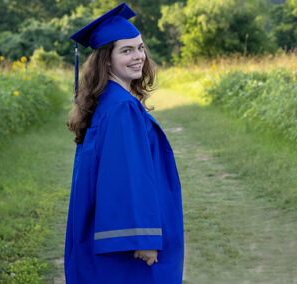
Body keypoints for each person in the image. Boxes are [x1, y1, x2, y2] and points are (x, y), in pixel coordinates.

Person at [65, 3, 184, 283]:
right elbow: (128, 175)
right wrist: (143, 238)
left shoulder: (108, 99)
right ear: (107, 59)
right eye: (126, 50)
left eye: (140, 47)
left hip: (102, 222)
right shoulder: (122, 108)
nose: (138, 56)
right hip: (126, 242)